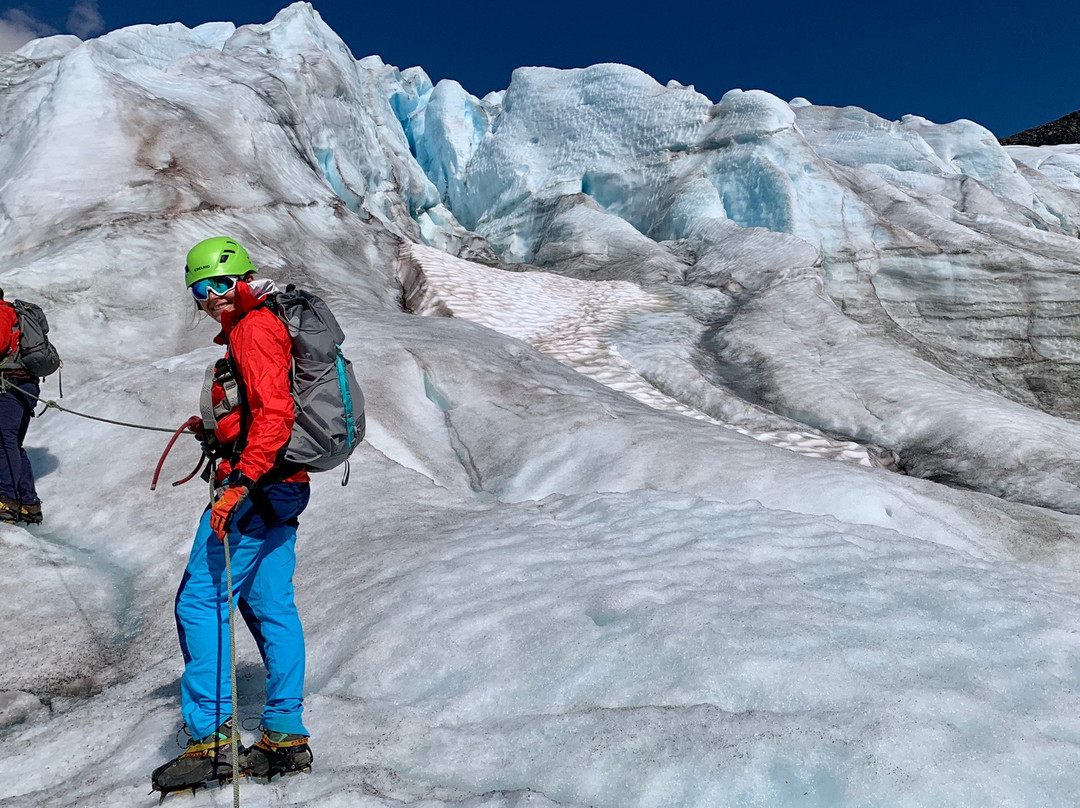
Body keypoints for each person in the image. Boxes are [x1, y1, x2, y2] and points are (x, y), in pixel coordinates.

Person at [152, 237, 314, 795]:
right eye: (199, 292)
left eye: (213, 287)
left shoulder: (253, 329)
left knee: (200, 600)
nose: (207, 301)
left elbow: (275, 413)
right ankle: (285, 735)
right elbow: (259, 410)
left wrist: (239, 481)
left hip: (255, 489)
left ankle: (212, 742)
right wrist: (219, 430)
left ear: (235, 281)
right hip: (283, 486)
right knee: (271, 605)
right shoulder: (265, 321)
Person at [0, 288, 43, 525]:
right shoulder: (11, 312)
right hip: (23, 386)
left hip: (10, 387)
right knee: (13, 443)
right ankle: (28, 503)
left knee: (4, 442)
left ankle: (8, 500)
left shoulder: (1, 313)